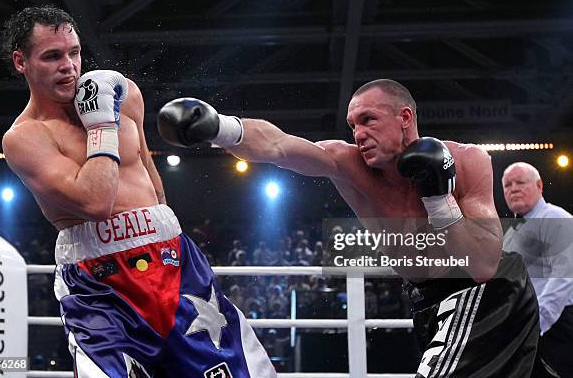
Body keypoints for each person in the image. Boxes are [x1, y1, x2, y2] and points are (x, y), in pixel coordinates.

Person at [157, 80, 540, 377]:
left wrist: (439, 198)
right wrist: (220, 127)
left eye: (369, 120)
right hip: (428, 300)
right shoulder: (347, 163)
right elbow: (278, 145)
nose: (358, 133)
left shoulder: (466, 160)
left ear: (404, 117)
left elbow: (484, 265)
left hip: (483, 292)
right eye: (353, 124)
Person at [0, 5, 275, 378]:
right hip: (98, 283)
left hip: (171, 260)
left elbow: (149, 175)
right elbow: (96, 202)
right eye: (52, 56)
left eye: (74, 52)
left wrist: (165, 231)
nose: (69, 65)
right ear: (21, 61)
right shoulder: (25, 138)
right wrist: (100, 123)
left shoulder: (124, 93)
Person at [502, 162, 573, 377]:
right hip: (524, 327)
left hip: (555, 326)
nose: (513, 188)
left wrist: (534, 326)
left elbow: (563, 279)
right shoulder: (510, 235)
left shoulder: (557, 219)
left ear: (539, 185)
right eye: (507, 185)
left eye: (520, 182)